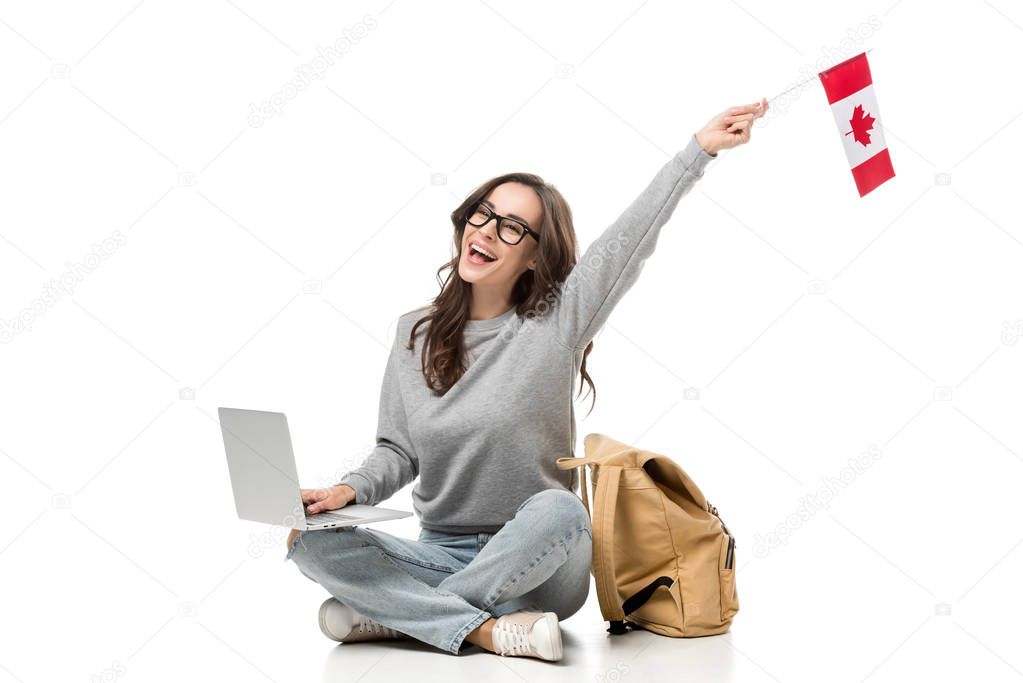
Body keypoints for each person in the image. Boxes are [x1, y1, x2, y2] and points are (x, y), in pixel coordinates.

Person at [285, 98, 768, 662]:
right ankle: (481, 629)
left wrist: (698, 152)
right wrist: (347, 491)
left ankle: (397, 616)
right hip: (441, 552)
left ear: (536, 257)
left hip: (544, 559)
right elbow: (397, 450)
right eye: (483, 215)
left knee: (560, 508)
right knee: (307, 542)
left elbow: (630, 239)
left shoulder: (558, 321)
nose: (487, 231)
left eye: (513, 227)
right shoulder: (412, 333)